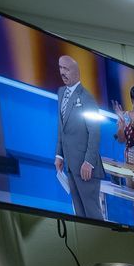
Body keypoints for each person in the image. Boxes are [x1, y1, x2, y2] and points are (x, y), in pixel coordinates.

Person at [53, 55, 103, 220]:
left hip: (86, 168)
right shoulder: (61, 93)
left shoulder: (87, 98)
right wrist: (59, 155)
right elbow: (62, 127)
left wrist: (88, 162)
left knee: (93, 216)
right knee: (81, 216)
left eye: (66, 69)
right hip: (70, 166)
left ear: (77, 72)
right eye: (60, 68)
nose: (62, 72)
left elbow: (94, 132)